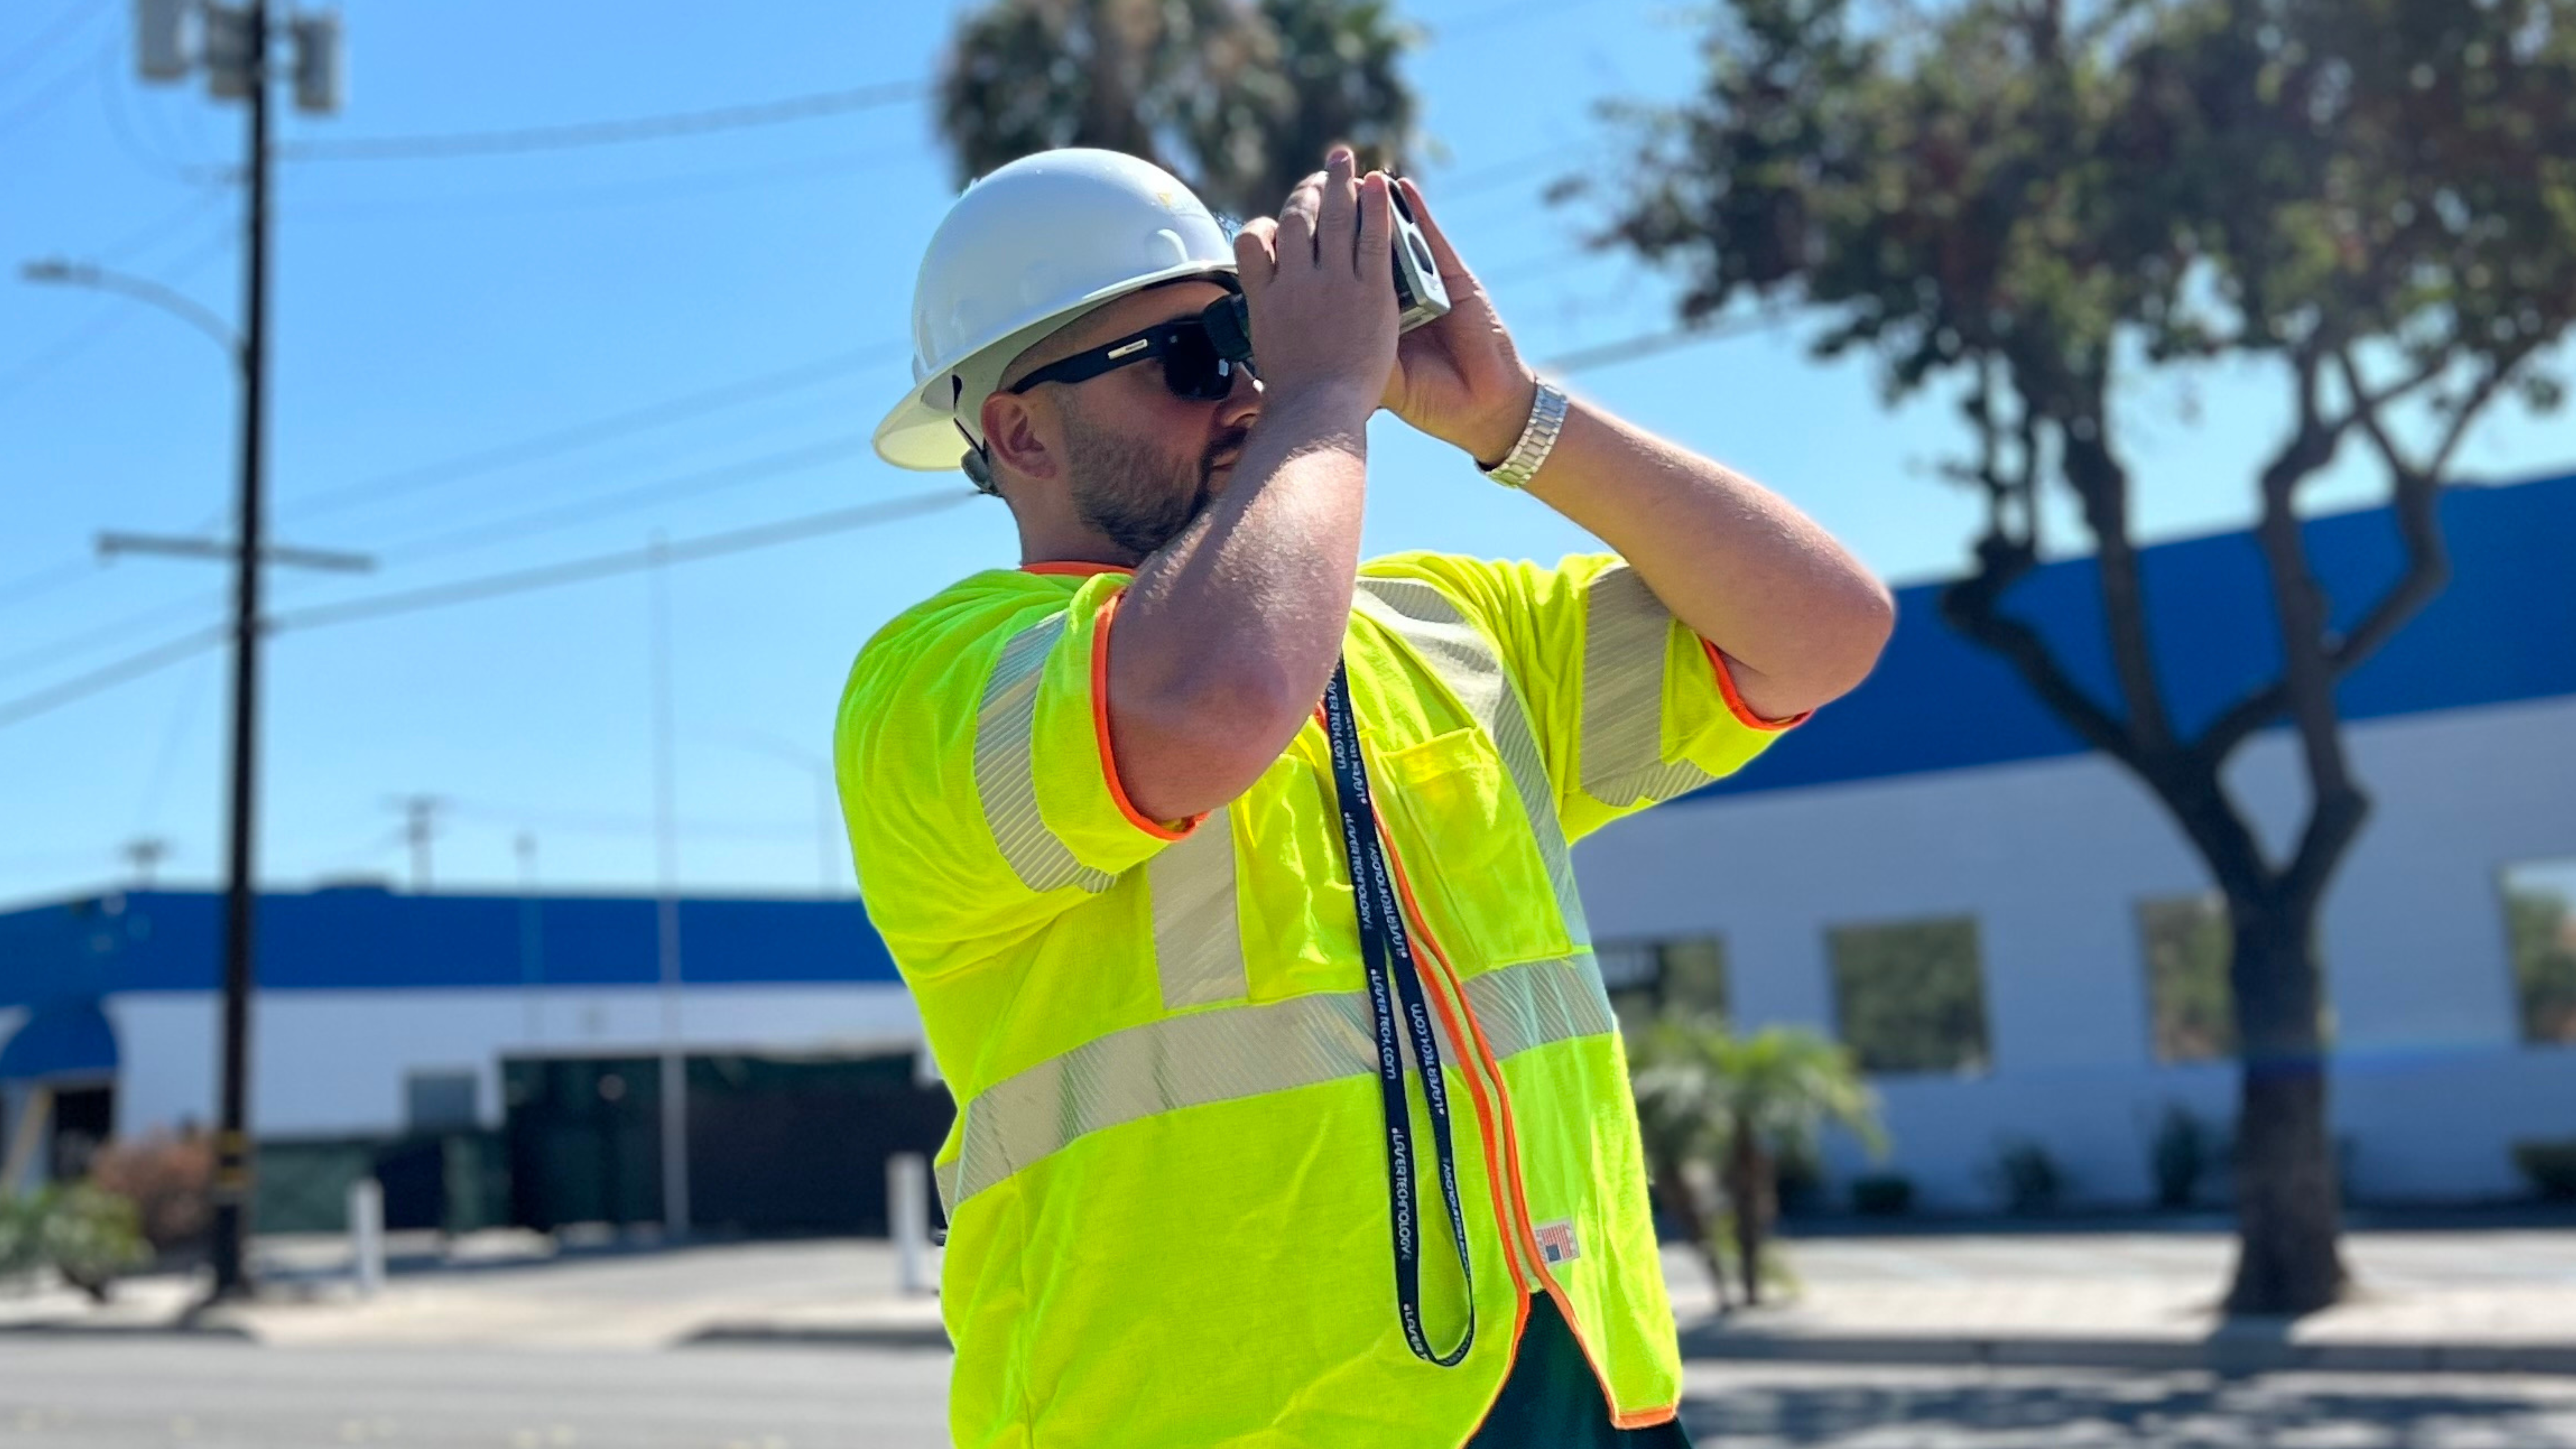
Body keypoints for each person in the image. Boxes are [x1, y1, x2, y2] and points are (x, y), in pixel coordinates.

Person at [838, 145, 1892, 1448]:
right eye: (1187, 360)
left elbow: (1828, 633)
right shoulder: (932, 685)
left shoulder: (1448, 630)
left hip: (1586, 1398)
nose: (1242, 389)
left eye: (1248, 344)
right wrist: (1325, 397)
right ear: (1015, 429)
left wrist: (1516, 418)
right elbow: (1208, 700)